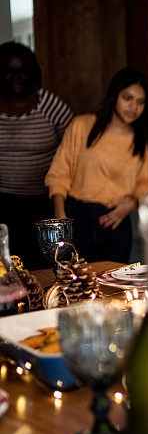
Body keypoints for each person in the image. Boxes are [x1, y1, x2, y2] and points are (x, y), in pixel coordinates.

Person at [45, 68, 148, 263]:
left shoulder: (142, 140)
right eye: (128, 98)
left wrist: (132, 203)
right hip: (77, 217)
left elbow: (145, 184)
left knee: (114, 288)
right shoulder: (81, 126)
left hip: (117, 222)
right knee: (73, 286)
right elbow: (59, 173)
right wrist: (60, 216)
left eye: (140, 102)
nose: (133, 107)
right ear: (114, 96)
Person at [0, 42, 73, 268]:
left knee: (42, 266)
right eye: (9, 71)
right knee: (7, 268)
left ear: (32, 72)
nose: (16, 77)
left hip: (43, 204)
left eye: (22, 70)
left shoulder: (49, 104)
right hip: (3, 204)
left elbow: (74, 147)